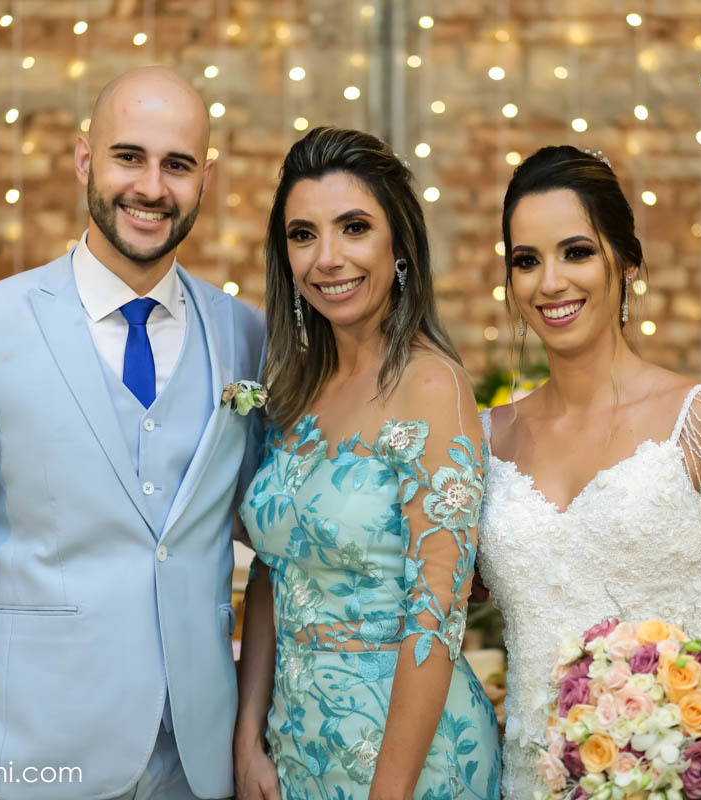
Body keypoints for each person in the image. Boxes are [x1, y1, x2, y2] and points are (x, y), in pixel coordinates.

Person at [0, 67, 265, 800]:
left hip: (200, 768)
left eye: (177, 165)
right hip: (32, 763)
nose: (151, 187)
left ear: (205, 179)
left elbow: (275, 524)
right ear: (85, 159)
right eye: (129, 157)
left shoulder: (244, 336)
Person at [476, 145, 701, 798]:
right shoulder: (486, 440)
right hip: (535, 782)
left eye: (576, 252)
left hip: (691, 776)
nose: (549, 282)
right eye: (526, 261)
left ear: (627, 263)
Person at [234, 127, 501, 800]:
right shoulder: (294, 391)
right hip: (294, 748)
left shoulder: (431, 388)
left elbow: (436, 618)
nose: (328, 258)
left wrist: (389, 792)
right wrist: (248, 736)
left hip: (410, 760)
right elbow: (273, 571)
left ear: (400, 245)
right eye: (303, 235)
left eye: (353, 227)